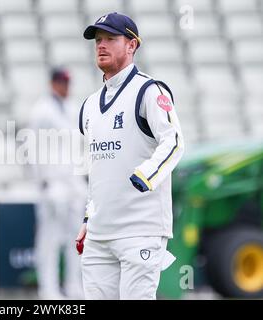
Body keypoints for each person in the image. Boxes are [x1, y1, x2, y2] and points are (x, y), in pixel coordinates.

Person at [75, 12, 185, 300]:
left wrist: (146, 176)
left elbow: (174, 141)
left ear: (132, 45)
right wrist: (89, 218)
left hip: (140, 230)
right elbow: (99, 169)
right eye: (98, 40)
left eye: (111, 38)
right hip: (99, 235)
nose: (101, 45)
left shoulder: (150, 91)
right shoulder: (88, 106)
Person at [29, 68, 86, 299]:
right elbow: (32, 147)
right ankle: (48, 289)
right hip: (53, 182)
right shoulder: (41, 111)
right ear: (53, 83)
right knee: (50, 238)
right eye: (62, 82)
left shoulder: (72, 108)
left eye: (68, 83)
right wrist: (42, 181)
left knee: (77, 237)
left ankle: (74, 285)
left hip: (73, 181)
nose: (66, 87)